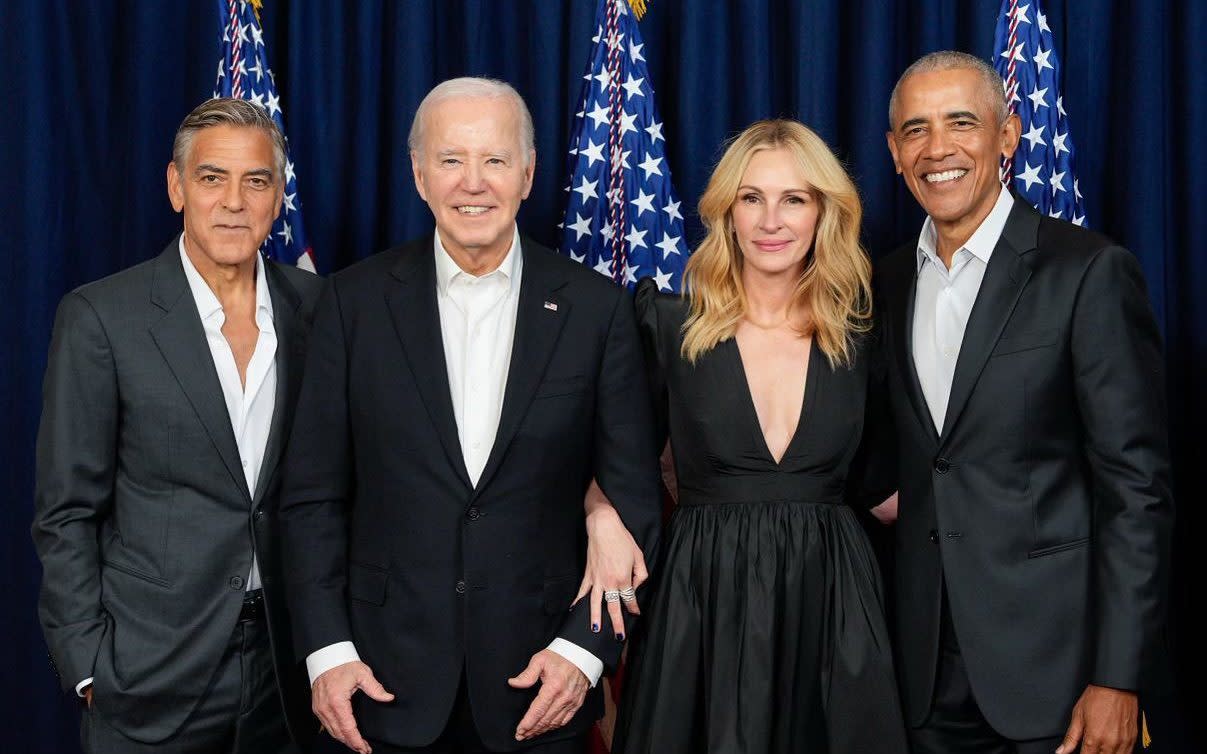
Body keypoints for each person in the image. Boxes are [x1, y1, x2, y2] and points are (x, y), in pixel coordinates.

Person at [278, 77, 662, 754]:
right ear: (420, 176)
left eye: (494, 160)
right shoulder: (350, 304)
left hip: (541, 684)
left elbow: (632, 498)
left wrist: (583, 652)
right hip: (376, 684)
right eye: (451, 160)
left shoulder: (597, 311)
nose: (473, 183)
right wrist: (327, 653)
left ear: (527, 174)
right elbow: (312, 497)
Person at [877, 50, 1174, 753]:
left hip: (1058, 675)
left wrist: (1117, 677)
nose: (937, 149)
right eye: (914, 131)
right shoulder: (880, 281)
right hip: (920, 673)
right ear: (893, 153)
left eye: (959, 123)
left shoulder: (1087, 272)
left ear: (1005, 136)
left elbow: (1136, 491)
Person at [602, 118, 907, 753]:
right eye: (752, 198)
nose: (772, 221)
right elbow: (613, 459)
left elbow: (889, 488)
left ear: (824, 211)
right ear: (727, 212)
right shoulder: (666, 323)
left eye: (794, 198)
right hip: (699, 601)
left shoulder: (864, 333)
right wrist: (600, 515)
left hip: (833, 603)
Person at [32, 98, 322, 753]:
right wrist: (88, 664)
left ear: (278, 196)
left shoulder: (320, 310)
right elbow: (65, 510)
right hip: (148, 669)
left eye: (255, 181)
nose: (233, 201)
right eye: (212, 177)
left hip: (286, 671)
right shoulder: (103, 317)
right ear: (176, 187)